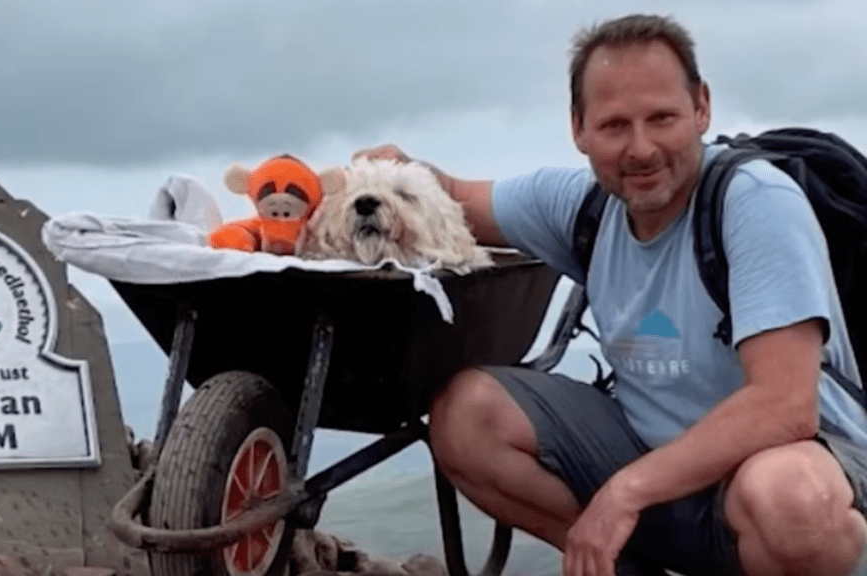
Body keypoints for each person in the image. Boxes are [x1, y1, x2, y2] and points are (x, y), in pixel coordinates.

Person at [356, 14, 867, 576]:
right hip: (646, 452)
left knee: (793, 500)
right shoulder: (583, 205)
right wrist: (365, 180)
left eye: (662, 118)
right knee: (466, 415)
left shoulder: (756, 202)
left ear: (702, 107)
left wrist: (625, 492)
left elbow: (785, 408)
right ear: (579, 128)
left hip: (763, 471)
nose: (641, 148)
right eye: (615, 125)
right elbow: (449, 195)